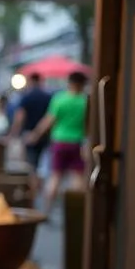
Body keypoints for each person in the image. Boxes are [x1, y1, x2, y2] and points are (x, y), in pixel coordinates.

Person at [26, 71, 88, 217]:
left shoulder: (60, 99)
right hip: (77, 143)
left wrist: (35, 134)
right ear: (83, 84)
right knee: (77, 178)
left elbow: (49, 120)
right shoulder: (85, 101)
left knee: (55, 177)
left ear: (69, 83)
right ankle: (76, 213)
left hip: (59, 142)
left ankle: (47, 210)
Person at [9, 72, 52, 172]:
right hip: (44, 134)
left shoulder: (26, 97)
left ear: (30, 81)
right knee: (43, 164)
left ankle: (33, 183)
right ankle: (39, 182)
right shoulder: (47, 97)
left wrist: (14, 133)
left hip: (28, 134)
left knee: (30, 164)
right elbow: (49, 117)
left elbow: (20, 116)